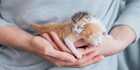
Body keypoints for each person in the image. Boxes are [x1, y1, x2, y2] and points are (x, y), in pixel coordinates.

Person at [0, 0, 139, 70]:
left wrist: (119, 39)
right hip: (14, 62)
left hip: (96, 64)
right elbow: (69, 40)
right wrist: (27, 42)